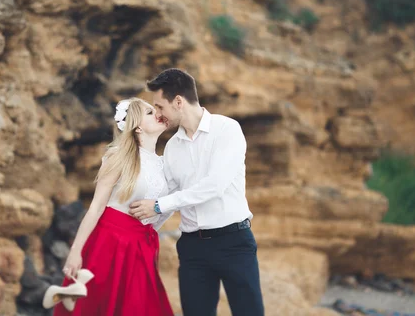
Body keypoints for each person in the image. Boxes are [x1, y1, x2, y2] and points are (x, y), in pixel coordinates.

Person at [129, 68, 265, 316]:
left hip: (233, 242)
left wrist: (158, 205)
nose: (158, 114)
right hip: (192, 248)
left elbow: (214, 185)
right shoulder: (171, 147)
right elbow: (168, 197)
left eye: (160, 107)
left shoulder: (227, 130)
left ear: (178, 102)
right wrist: (140, 235)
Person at [51, 97, 174, 316]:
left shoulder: (165, 164)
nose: (156, 113)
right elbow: (96, 207)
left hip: (142, 245)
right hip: (110, 241)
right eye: (148, 112)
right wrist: (76, 251)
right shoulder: (118, 156)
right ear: (137, 127)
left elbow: (165, 208)